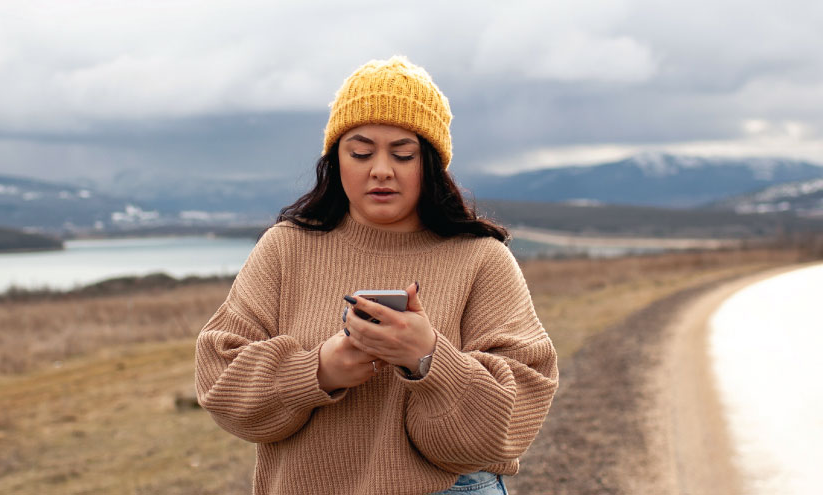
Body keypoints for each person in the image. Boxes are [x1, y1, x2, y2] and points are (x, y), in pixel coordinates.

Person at [193, 55, 558, 495]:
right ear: (335, 161)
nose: (381, 169)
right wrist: (317, 371)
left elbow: (512, 418)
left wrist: (429, 358)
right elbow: (219, 380)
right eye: (361, 152)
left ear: (431, 165)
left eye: (403, 153)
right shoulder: (285, 249)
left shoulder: (481, 260)